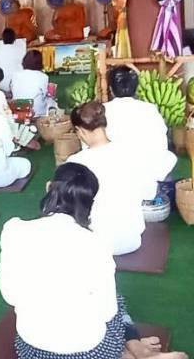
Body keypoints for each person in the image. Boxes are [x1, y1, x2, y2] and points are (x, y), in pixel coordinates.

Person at [0, 164, 187, 359]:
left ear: (49, 186)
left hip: (32, 356)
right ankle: (136, 350)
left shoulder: (14, 230)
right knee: (117, 302)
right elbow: (107, 312)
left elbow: (10, 295)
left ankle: (128, 352)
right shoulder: (97, 244)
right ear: (90, 202)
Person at [63, 102, 150, 255]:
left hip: (96, 243)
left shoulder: (76, 162)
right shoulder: (131, 151)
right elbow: (146, 191)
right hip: (132, 239)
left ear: (80, 131)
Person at [104, 66, 178, 185]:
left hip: (114, 176)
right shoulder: (150, 109)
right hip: (151, 175)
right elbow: (162, 138)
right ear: (137, 88)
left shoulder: (102, 111)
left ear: (110, 89)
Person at [11, 50, 52, 118]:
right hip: (36, 112)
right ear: (40, 62)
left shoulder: (15, 75)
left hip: (18, 111)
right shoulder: (43, 76)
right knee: (51, 100)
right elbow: (46, 94)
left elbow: (12, 90)